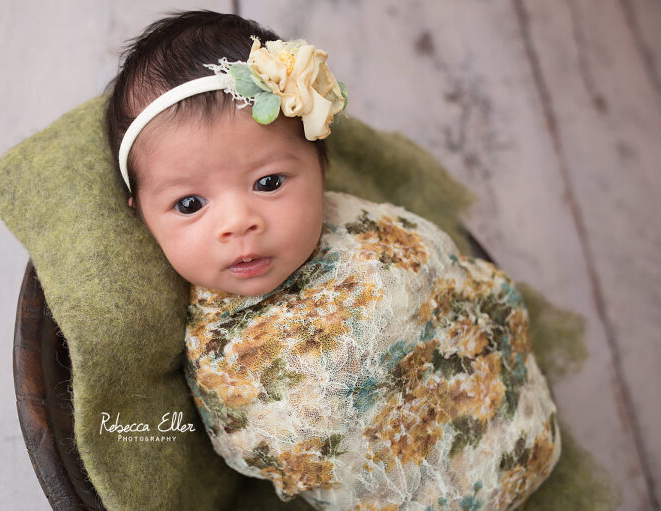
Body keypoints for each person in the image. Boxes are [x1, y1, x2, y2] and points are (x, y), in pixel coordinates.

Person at [105, 9, 560, 510]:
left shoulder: (362, 228)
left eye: (269, 183)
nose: (238, 222)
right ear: (142, 216)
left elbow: (436, 268)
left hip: (517, 427)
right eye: (190, 204)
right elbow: (267, 440)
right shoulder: (223, 357)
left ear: (321, 167)